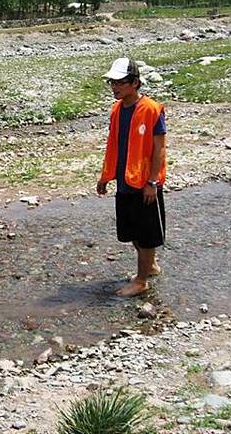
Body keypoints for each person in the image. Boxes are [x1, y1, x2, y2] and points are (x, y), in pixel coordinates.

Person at [96, 57, 167, 297]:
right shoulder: (117, 109)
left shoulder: (151, 109)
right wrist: (106, 176)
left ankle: (141, 281)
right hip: (125, 180)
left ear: (134, 83)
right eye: (112, 83)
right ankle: (151, 266)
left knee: (147, 234)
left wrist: (152, 182)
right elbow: (115, 145)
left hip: (144, 183)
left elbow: (159, 149)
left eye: (119, 82)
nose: (114, 87)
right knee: (132, 232)